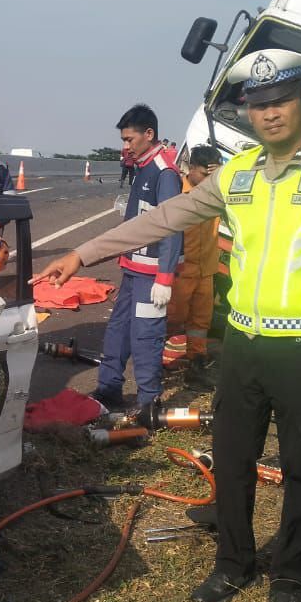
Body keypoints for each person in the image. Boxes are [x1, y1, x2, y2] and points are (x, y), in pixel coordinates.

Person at [32, 49, 301, 602]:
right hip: (245, 348)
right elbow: (163, 218)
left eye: (281, 102)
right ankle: (234, 564)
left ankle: (291, 578)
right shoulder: (241, 172)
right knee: (231, 462)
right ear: (249, 113)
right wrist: (83, 252)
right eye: (258, 105)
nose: (270, 114)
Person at [87, 104, 182, 412]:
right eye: (123, 140)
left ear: (149, 134)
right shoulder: (143, 167)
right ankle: (109, 388)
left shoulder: (164, 173)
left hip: (151, 276)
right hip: (132, 270)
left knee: (146, 337)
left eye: (129, 139)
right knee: (117, 331)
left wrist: (165, 278)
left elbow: (172, 225)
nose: (125, 146)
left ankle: (148, 402)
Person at [163, 144, 221, 375]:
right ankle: (155, 360)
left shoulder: (218, 193)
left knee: (200, 321)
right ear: (192, 168)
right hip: (181, 271)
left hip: (205, 270)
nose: (208, 180)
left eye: (212, 176)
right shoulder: (174, 191)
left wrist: (223, 175)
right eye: (204, 175)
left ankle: (196, 362)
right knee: (172, 317)